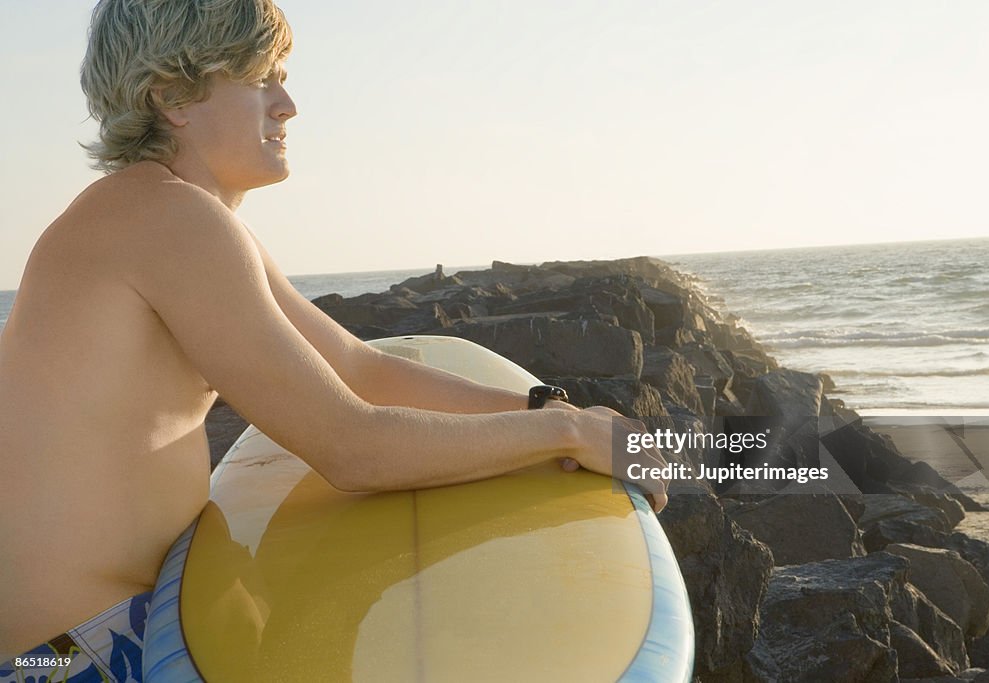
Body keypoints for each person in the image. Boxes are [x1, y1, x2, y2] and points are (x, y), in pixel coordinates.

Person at [0, 0, 667, 678]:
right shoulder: (168, 221)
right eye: (261, 77)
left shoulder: (159, 212)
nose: (287, 104)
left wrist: (547, 409)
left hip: (95, 637)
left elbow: (357, 366)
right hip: (68, 660)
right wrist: (569, 438)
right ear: (173, 95)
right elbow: (354, 447)